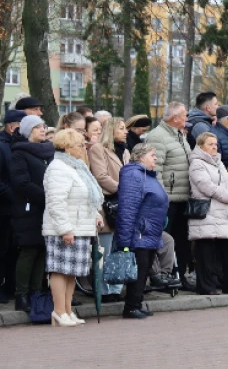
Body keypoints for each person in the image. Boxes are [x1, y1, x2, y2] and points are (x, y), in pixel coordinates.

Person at [41, 129, 103, 326]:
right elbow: (55, 202)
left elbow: (85, 198)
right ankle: (59, 311)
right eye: (79, 145)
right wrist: (65, 229)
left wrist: (95, 215)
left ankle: (67, 311)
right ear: (67, 148)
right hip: (65, 228)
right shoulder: (58, 168)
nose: (83, 148)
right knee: (60, 270)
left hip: (80, 227)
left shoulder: (77, 167)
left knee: (71, 271)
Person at [115, 144, 169, 319]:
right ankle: (130, 307)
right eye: (152, 155)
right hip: (139, 233)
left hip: (150, 232)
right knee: (138, 271)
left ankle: (136, 304)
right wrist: (124, 241)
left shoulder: (148, 175)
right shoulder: (133, 175)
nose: (156, 158)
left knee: (144, 270)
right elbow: (128, 208)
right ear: (140, 157)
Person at [146, 102, 195, 290]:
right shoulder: (157, 136)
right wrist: (162, 198)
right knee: (167, 240)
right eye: (184, 116)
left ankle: (180, 276)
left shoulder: (178, 135)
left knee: (182, 240)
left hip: (182, 198)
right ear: (175, 118)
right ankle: (164, 277)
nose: (186, 119)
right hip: (168, 200)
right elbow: (155, 170)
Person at [88, 117, 137, 302]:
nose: (126, 132)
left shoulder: (124, 151)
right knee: (105, 250)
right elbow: (100, 175)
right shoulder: (98, 149)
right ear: (112, 130)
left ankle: (116, 288)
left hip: (123, 204)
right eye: (122, 128)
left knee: (120, 249)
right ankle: (103, 290)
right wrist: (124, 188)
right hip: (107, 204)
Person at [9, 115, 53, 312]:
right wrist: (47, 196)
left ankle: (37, 292)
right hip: (28, 209)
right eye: (37, 127)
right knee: (29, 249)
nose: (42, 130)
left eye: (43, 126)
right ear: (28, 131)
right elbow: (21, 182)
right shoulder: (19, 153)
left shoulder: (48, 152)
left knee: (43, 249)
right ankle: (21, 295)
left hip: (47, 209)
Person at [188, 133, 228, 295]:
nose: (214, 147)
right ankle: (206, 287)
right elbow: (206, 186)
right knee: (206, 253)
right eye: (210, 144)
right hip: (207, 213)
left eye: (215, 144)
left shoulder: (219, 162)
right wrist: (227, 196)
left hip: (223, 213)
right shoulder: (197, 163)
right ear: (201, 146)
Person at [0, 109, 25, 302]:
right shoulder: (2, 146)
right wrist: (13, 196)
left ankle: (11, 286)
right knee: (3, 248)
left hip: (17, 209)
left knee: (14, 249)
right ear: (12, 127)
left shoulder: (19, 145)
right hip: (5, 207)